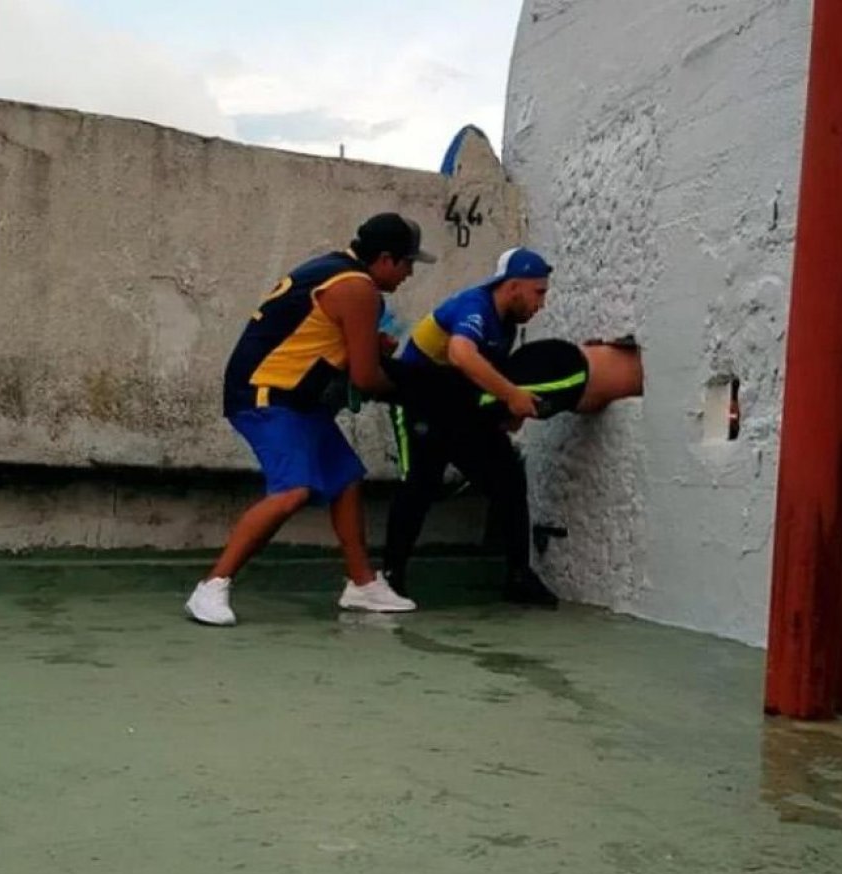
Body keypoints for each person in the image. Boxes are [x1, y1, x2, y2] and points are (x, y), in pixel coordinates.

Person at [185, 213, 435, 626]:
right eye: (408, 263)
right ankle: (211, 586)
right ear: (386, 259)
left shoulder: (333, 270)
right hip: (267, 394)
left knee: (344, 478)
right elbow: (365, 377)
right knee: (293, 490)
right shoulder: (358, 288)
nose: (410, 273)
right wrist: (416, 393)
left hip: (293, 397)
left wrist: (372, 347)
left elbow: (315, 332)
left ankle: (362, 584)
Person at [382, 247, 564, 608]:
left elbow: (479, 377)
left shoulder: (508, 324)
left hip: (458, 407)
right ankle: (390, 575)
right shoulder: (475, 306)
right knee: (420, 484)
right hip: (420, 399)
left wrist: (505, 411)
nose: (542, 303)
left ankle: (517, 574)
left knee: (508, 478)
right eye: (538, 292)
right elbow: (461, 355)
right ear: (513, 286)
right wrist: (511, 395)